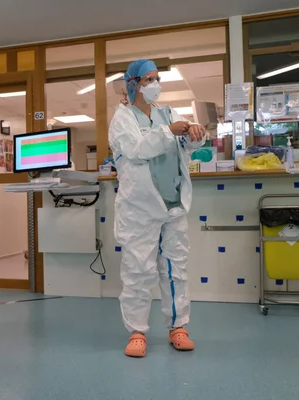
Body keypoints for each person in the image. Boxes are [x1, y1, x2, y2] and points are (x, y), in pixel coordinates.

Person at [108, 59, 205, 358]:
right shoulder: (123, 118)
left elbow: (182, 146)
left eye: (157, 78)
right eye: (149, 79)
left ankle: (178, 327)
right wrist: (169, 132)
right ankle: (137, 332)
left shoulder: (169, 114)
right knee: (138, 270)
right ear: (134, 84)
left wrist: (194, 134)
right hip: (140, 209)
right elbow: (138, 149)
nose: (155, 84)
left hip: (173, 203)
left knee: (176, 268)